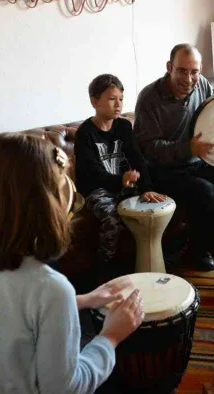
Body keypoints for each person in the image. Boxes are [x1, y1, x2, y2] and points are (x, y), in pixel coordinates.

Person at [0, 133, 145, 393]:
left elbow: (15, 313)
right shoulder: (51, 288)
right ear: (49, 205)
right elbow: (67, 388)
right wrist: (110, 336)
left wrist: (83, 299)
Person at [133, 43, 214, 271]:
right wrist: (189, 149)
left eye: (194, 72)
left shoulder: (202, 85)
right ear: (169, 67)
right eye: (182, 71)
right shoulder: (149, 98)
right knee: (206, 193)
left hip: (196, 162)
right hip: (162, 170)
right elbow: (147, 147)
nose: (188, 79)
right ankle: (197, 251)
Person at [75, 73, 166, 279]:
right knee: (112, 220)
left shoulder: (124, 126)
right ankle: (105, 265)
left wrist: (146, 188)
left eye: (121, 99)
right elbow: (90, 174)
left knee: (151, 210)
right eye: (111, 99)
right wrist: (120, 180)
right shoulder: (85, 133)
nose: (118, 104)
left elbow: (138, 158)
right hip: (97, 190)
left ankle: (151, 260)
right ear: (94, 101)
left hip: (123, 185)